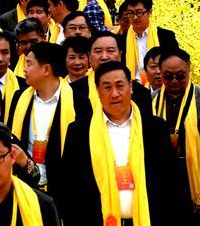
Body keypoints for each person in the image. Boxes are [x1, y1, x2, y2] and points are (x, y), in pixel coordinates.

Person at [61, 61, 183, 226]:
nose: (115, 94)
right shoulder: (79, 131)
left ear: (131, 87)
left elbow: (173, 183)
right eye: (107, 87)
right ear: (97, 90)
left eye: (120, 86)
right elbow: (69, 188)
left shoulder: (155, 128)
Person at [7, 42, 90, 201]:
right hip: (24, 186)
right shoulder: (19, 98)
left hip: (64, 191)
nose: (24, 69)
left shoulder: (79, 103)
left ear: (46, 69)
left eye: (29, 64)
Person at [152, 49, 200, 222]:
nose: (174, 81)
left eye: (180, 76)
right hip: (163, 176)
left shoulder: (198, 98)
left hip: (193, 174)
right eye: (168, 76)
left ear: (189, 71)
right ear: (160, 73)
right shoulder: (151, 100)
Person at [70, 33, 153, 115]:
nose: (104, 57)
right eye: (98, 51)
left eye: (110, 51)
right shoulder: (73, 91)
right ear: (89, 56)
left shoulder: (140, 93)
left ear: (120, 55)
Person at [122, 0, 178, 83]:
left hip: (160, 85)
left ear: (149, 12)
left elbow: (174, 64)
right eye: (130, 13)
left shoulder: (165, 36)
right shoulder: (122, 39)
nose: (135, 17)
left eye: (139, 12)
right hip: (132, 87)